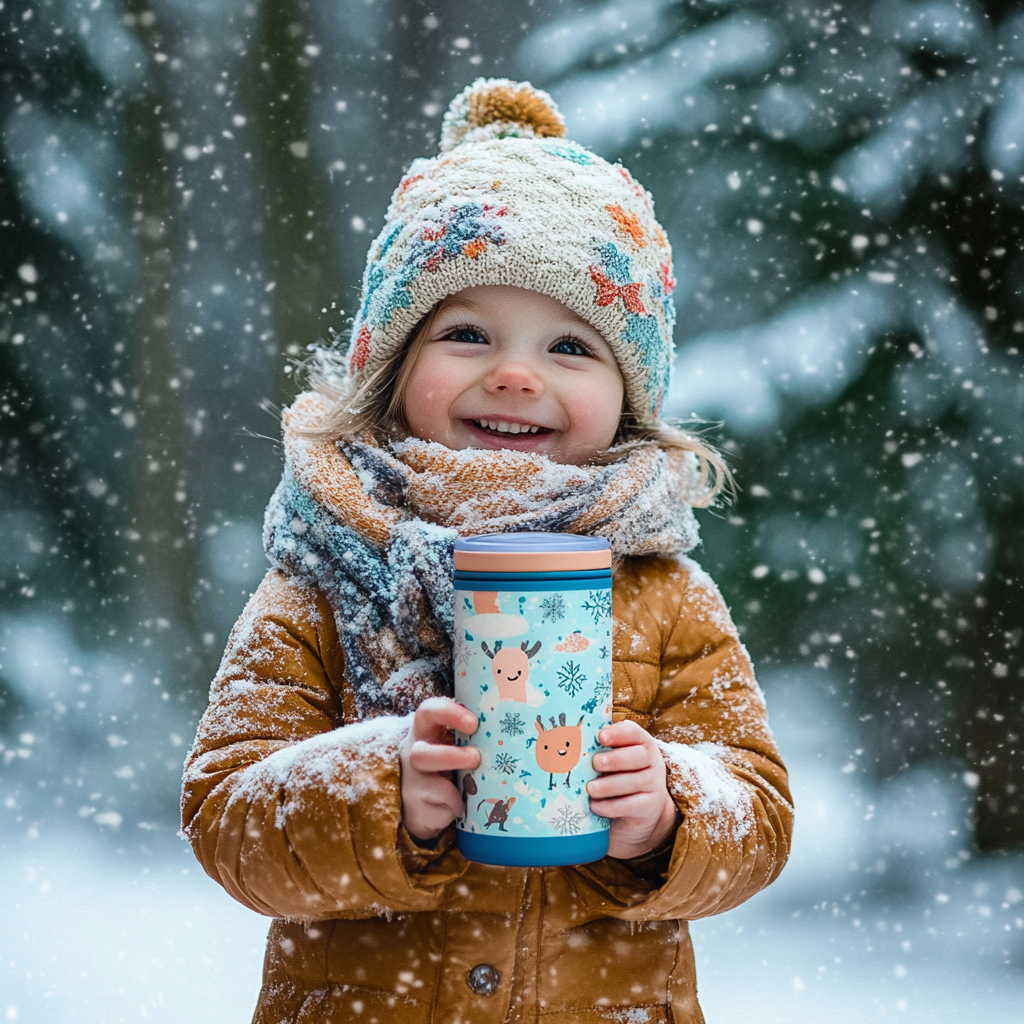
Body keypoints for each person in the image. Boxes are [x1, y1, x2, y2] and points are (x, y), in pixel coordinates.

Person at [181, 78, 792, 1024]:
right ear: (391, 368)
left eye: (571, 347)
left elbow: (756, 808)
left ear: (630, 399)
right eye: (466, 334)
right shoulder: (325, 572)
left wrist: (671, 812)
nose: (514, 373)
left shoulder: (667, 591)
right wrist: (383, 785)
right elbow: (226, 817)